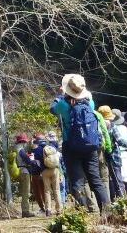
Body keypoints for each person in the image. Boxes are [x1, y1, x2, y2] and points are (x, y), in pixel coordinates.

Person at [50, 74, 111, 212]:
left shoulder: (63, 105)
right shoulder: (90, 103)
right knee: (96, 180)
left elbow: (52, 109)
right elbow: (87, 96)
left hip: (71, 146)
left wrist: (60, 95)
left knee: (77, 182)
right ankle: (107, 212)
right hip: (90, 146)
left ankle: (82, 214)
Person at [109, 109, 127, 196]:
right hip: (125, 154)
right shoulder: (123, 128)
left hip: (115, 154)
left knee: (119, 177)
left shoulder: (111, 127)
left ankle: (119, 197)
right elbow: (125, 141)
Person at [97, 106, 124, 199]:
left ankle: (111, 199)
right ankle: (122, 199)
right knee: (118, 179)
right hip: (114, 156)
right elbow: (120, 140)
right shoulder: (112, 125)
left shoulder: (97, 125)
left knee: (107, 180)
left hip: (102, 156)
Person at [13, 133, 40, 217]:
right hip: (24, 171)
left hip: (20, 170)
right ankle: (25, 211)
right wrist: (35, 162)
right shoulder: (20, 149)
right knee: (26, 192)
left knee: (24, 192)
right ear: (23, 141)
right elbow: (27, 160)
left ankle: (25, 210)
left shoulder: (15, 148)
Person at [39, 132, 63, 215]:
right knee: (57, 190)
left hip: (45, 171)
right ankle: (59, 210)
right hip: (54, 170)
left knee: (47, 191)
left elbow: (38, 159)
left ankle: (48, 210)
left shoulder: (42, 148)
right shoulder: (55, 146)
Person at [30, 133, 50, 215]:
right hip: (44, 172)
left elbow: (31, 160)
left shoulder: (35, 149)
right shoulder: (47, 148)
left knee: (38, 192)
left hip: (36, 173)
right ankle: (47, 208)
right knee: (44, 191)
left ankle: (43, 208)